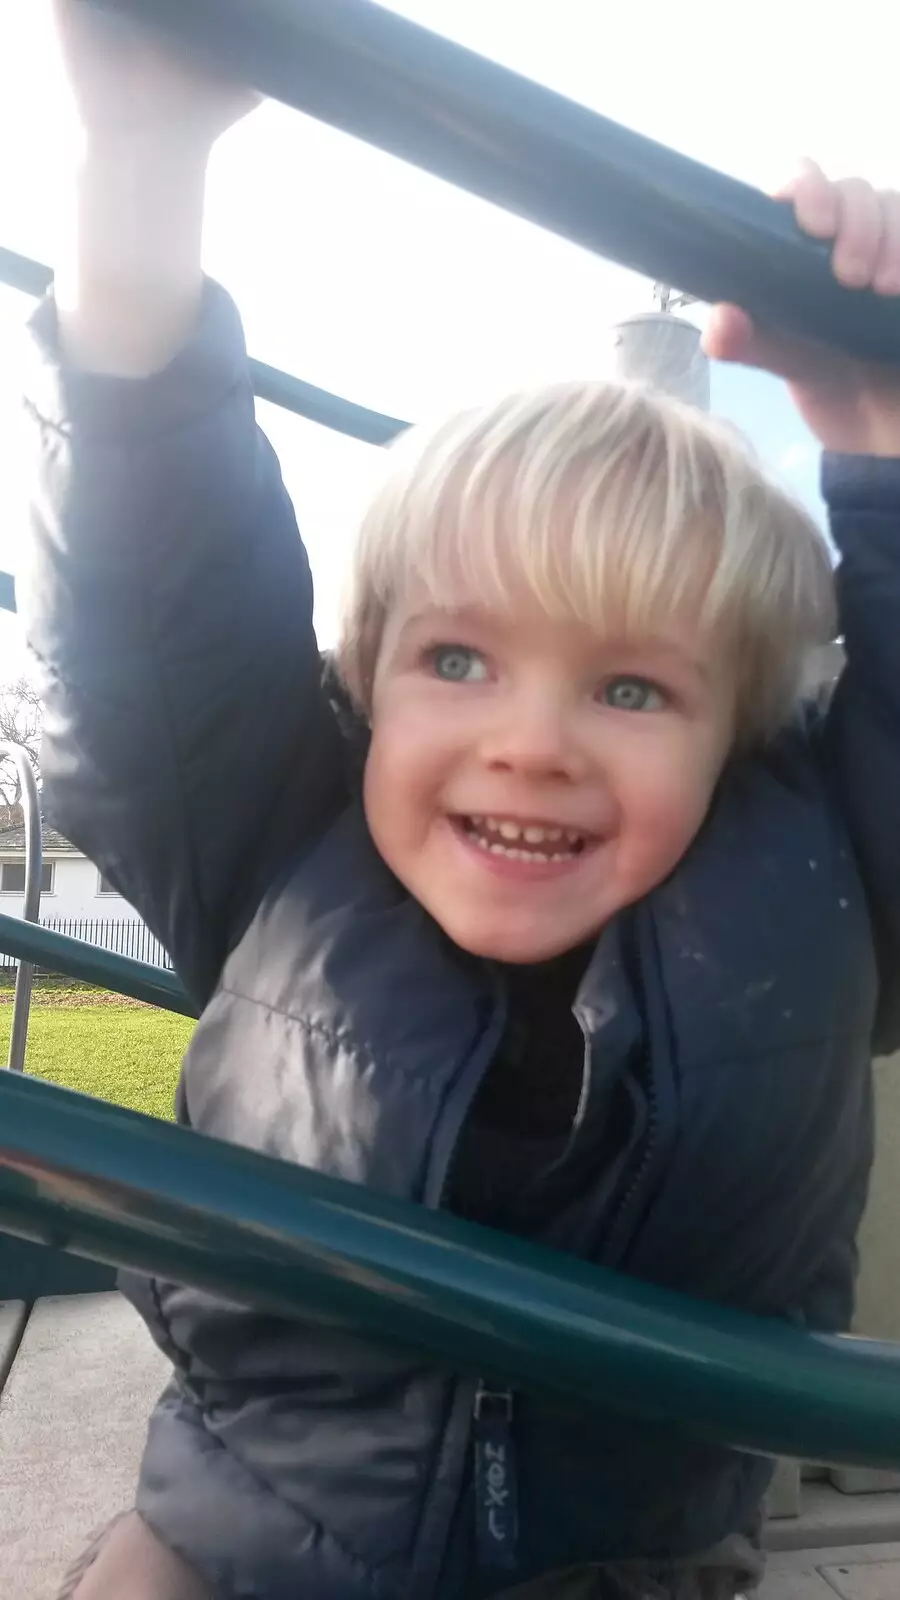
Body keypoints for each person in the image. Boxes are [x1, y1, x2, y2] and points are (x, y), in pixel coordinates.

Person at [21, 5, 900, 1597]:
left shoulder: (819, 889)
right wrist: (140, 164)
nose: (533, 742)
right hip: (237, 1551)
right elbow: (156, 601)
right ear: (364, 682)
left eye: (632, 689)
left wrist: (886, 436)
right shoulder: (281, 836)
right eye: (459, 658)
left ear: (746, 740)